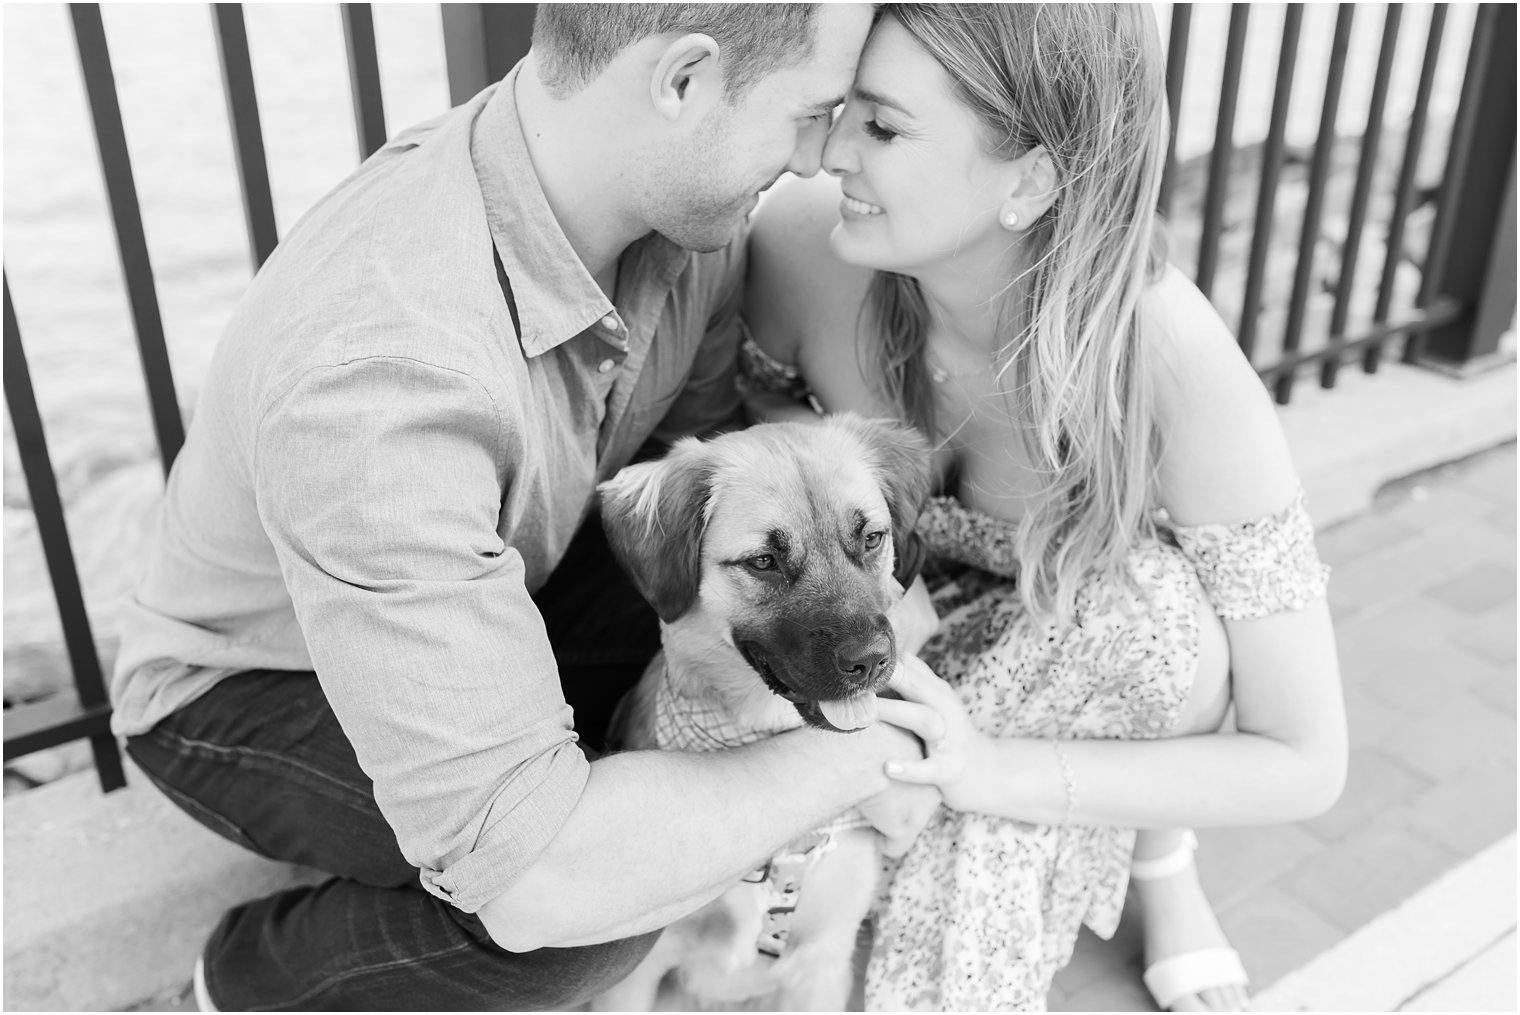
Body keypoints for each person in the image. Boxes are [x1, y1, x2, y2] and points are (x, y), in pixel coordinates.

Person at [107, 5, 939, 1011]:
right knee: (589, 921)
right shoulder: (381, 371)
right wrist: (881, 743)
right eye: (807, 115)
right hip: (252, 686)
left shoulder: (675, 211)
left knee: (664, 731)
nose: (816, 158)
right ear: (682, 82)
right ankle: (247, 978)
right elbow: (540, 878)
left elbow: (721, 477)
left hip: (503, 580)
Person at [743, 4, 1348, 1011]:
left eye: (881, 127)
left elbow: (1301, 757)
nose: (826, 152)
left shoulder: (1169, 364)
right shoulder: (805, 249)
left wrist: (989, 770)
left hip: (1073, 634)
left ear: (1029, 177)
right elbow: (744, 445)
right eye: (844, 106)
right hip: (874, 608)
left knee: (1156, 626)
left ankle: (1161, 865)